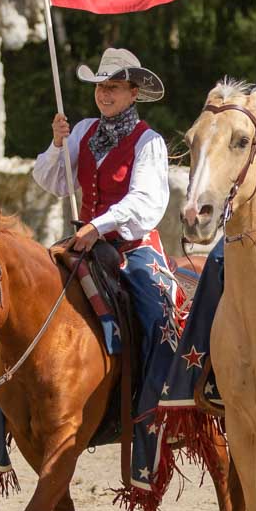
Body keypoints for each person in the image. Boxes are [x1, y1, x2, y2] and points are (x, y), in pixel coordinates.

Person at [32, 47, 182, 380]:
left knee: (157, 319)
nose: (104, 93)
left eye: (114, 86)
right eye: (101, 86)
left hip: (130, 247)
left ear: (133, 93)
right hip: (84, 243)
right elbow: (52, 181)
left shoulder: (149, 142)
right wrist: (57, 144)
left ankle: (159, 400)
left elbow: (143, 199)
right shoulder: (84, 130)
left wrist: (98, 226)